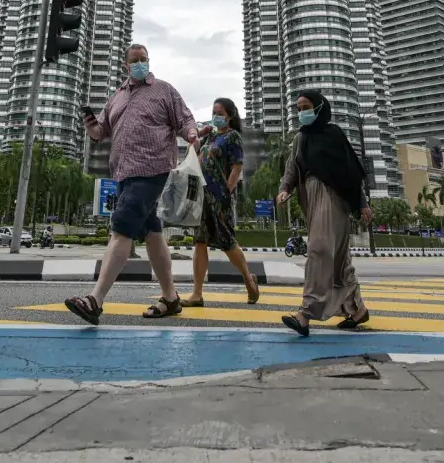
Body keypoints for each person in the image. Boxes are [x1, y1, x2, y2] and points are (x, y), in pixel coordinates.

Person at [65, 44, 198, 325]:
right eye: (135, 61)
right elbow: (102, 131)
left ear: (149, 61)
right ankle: (171, 298)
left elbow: (184, 119)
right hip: (123, 173)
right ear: (126, 66)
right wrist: (92, 128)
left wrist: (193, 132)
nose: (140, 64)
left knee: (122, 225)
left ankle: (95, 300)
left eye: (144, 59)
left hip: (153, 170)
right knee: (152, 233)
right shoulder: (117, 97)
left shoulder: (163, 90)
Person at [277, 90, 373, 336]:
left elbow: (351, 171)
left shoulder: (334, 135)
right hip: (311, 198)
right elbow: (292, 167)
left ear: (319, 107)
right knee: (339, 260)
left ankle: (306, 313)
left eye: (306, 107)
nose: (301, 113)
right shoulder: (301, 138)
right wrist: (285, 188)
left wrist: (361, 202)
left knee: (319, 249)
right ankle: (357, 310)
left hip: (335, 199)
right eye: (298, 109)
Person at [184, 97, 261, 308]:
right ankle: (197, 293)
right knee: (199, 242)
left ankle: (248, 278)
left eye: (219, 113)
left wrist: (227, 191)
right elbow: (197, 160)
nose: (216, 116)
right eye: (214, 112)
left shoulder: (233, 137)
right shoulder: (211, 138)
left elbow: (237, 166)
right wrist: (197, 139)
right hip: (203, 196)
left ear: (229, 115)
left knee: (227, 242)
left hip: (220, 198)